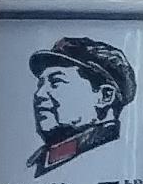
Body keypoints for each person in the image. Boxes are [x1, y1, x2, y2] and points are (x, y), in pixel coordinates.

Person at [28, 35, 133, 173]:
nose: (39, 94)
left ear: (105, 96)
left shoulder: (112, 155)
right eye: (40, 84)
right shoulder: (39, 162)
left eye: (56, 82)